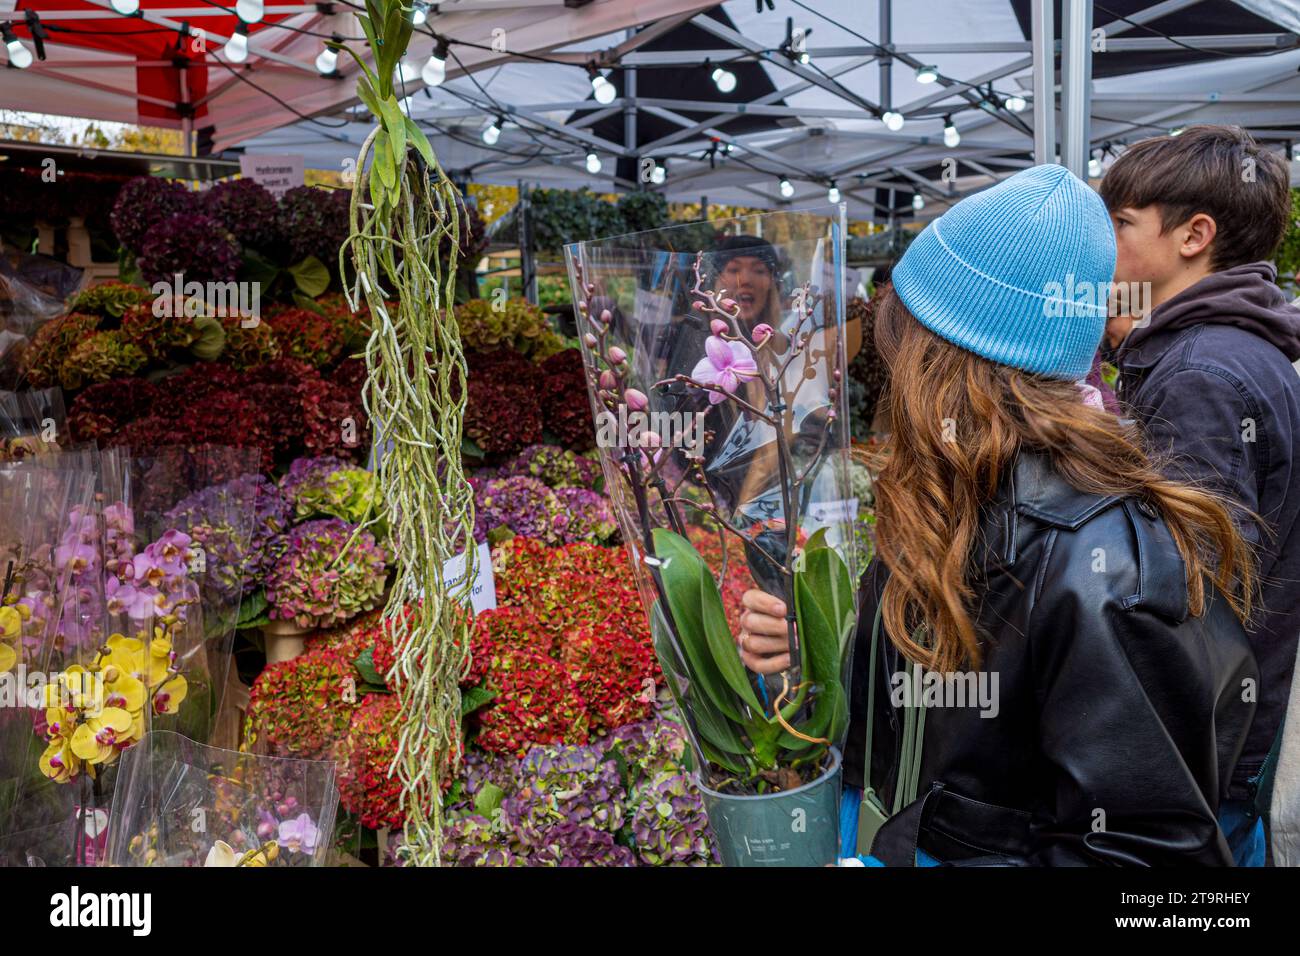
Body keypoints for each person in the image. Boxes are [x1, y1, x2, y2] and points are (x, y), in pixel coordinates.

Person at [737, 163, 1259, 865]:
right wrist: (811, 661)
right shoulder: (944, 498)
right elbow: (921, 719)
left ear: (940, 362)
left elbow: (1150, 865)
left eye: (903, 339)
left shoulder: (1114, 567)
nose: (888, 367)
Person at [1098, 126, 1300, 865]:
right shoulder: (1231, 349)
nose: (1104, 242)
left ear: (1195, 235)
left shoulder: (1200, 375)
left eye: (1121, 223)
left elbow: (1195, 595)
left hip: (1210, 753)